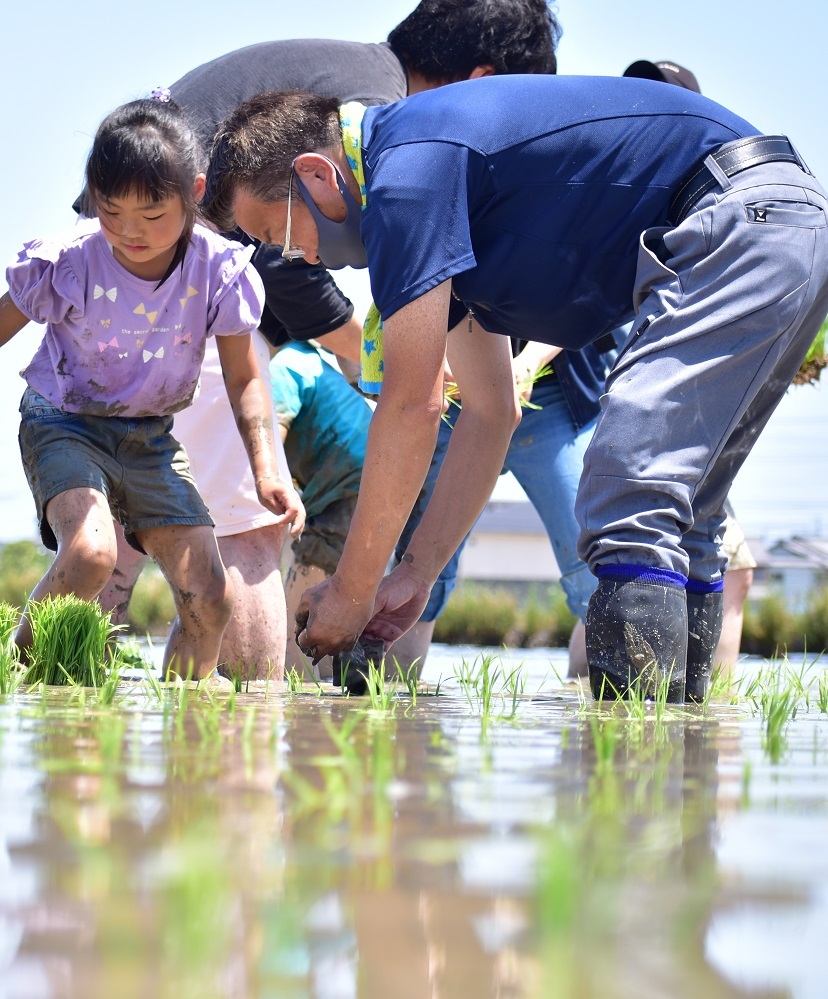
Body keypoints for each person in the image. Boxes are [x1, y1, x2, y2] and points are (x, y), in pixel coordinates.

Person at [207, 79, 828, 701]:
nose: (302, 260)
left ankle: (636, 772)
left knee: (628, 485)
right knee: (685, 516)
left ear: (318, 176)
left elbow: (411, 403)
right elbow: (489, 412)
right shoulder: (437, 195)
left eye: (283, 237)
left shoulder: (407, 169)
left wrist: (352, 588)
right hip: (780, 220)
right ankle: (680, 770)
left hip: (737, 218)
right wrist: (417, 571)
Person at [97, 0, 563, 677]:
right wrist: (375, 351)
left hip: (122, 269)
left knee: (127, 523)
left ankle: (69, 720)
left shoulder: (352, 74)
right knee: (252, 532)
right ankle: (236, 761)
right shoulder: (385, 115)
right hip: (175, 276)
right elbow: (290, 259)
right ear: (480, 79)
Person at [0, 97, 304, 681]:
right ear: (93, 197)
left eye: (152, 215)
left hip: (148, 437)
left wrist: (267, 471)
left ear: (193, 194)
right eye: (112, 213)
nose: (131, 233)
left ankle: (193, 732)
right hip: (62, 422)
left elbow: (244, 379)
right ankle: (7, 677)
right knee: (90, 554)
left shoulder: (219, 271)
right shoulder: (68, 261)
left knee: (211, 594)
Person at [269, 341, 373, 675]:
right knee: (339, 590)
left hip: (347, 483)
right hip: (363, 478)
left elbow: (271, 440)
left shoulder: (282, 365)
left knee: (310, 592)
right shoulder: (306, 357)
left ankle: (298, 680)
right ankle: (336, 680)